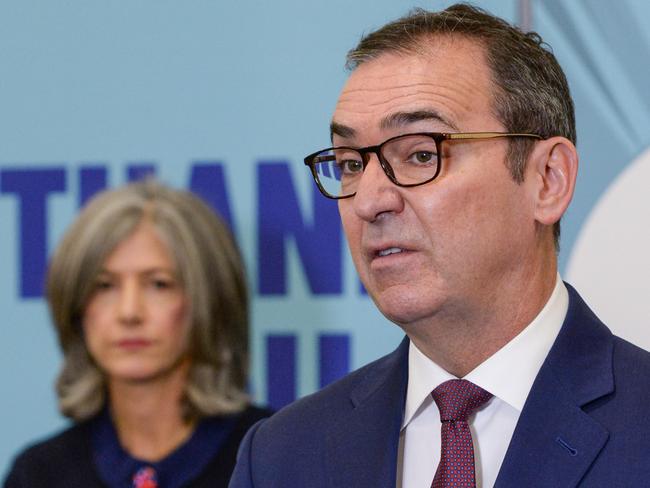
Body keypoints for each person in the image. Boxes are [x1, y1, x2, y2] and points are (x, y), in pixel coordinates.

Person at [230, 4, 650, 487]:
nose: (369, 200)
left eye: (420, 154)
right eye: (349, 164)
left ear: (548, 180)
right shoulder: (282, 456)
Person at [5, 181, 271, 487]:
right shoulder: (39, 474)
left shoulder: (272, 456)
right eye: (104, 286)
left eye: (158, 284)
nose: (129, 312)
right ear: (75, 305)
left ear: (210, 300)